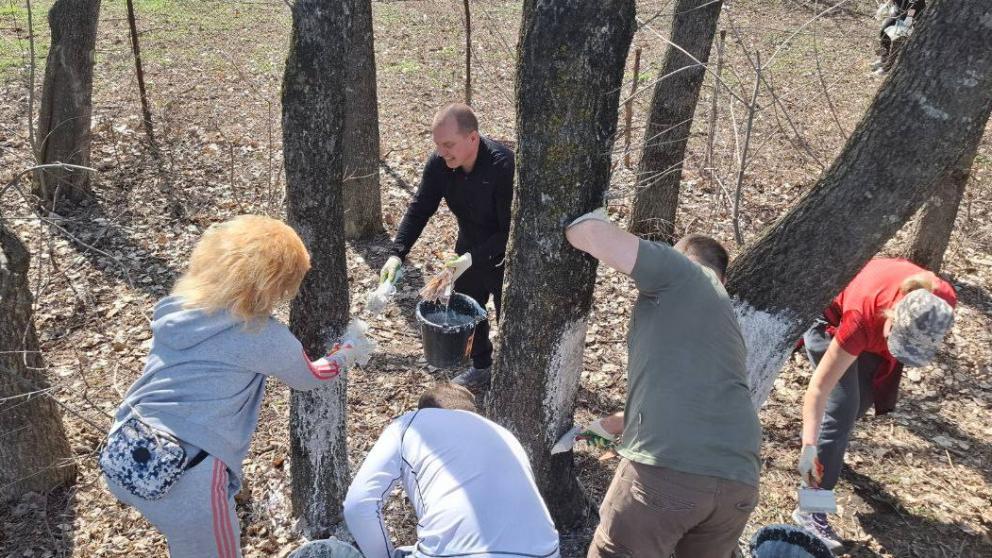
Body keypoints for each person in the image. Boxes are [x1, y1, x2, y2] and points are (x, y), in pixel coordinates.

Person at [99, 215, 372, 558]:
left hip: (125, 453)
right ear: (274, 284)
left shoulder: (174, 308)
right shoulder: (261, 335)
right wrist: (346, 352)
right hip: (187, 478)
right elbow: (309, 377)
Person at [565, 209, 761, 558]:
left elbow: (586, 232)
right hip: (739, 483)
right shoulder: (724, 322)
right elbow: (691, 402)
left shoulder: (683, 273)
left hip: (668, 473)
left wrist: (592, 214)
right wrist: (604, 427)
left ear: (681, 255)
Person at [795, 258, 955, 551]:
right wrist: (808, 446)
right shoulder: (861, 318)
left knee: (859, 404)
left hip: (873, 333)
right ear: (891, 316)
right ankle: (810, 505)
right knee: (841, 410)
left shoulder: (939, 304)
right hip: (833, 320)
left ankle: (828, 449)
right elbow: (819, 388)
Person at [379, 103, 514, 389]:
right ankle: (481, 366)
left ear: (473, 138)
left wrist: (472, 258)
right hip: (467, 246)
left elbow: (510, 230)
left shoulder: (503, 167)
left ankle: (513, 377)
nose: (442, 152)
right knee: (465, 308)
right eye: (438, 145)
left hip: (505, 256)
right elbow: (420, 208)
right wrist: (396, 254)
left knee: (511, 320)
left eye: (449, 144)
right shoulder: (440, 164)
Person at [343, 383, 560, 558]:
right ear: (473, 412)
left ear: (425, 410)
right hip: (543, 552)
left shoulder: (412, 424)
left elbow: (358, 505)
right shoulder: (505, 435)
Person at [872, 0, 926, 75]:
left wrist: (909, 18)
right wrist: (887, 4)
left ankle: (887, 68)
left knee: (897, 40)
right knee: (883, 32)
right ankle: (883, 59)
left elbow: (916, 3)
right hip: (898, 11)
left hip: (912, 15)